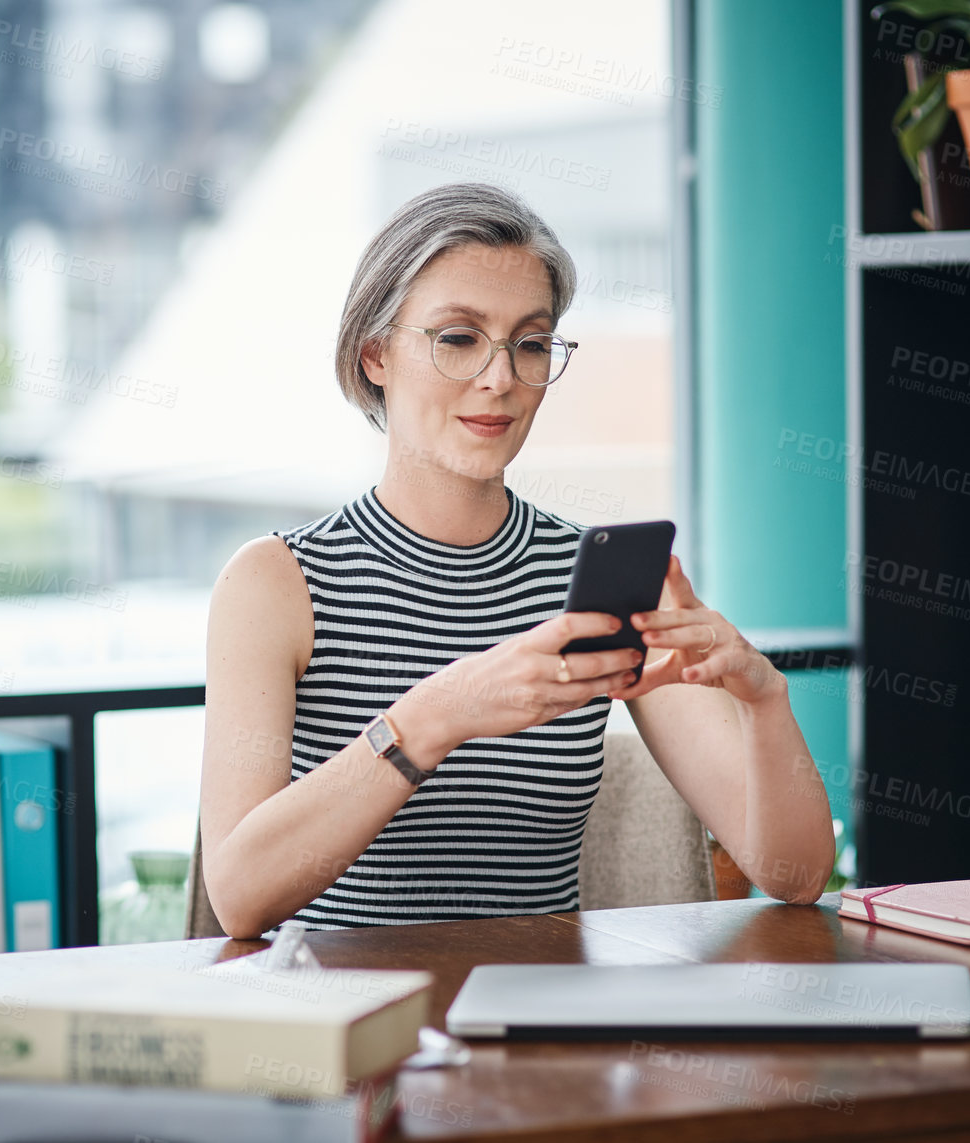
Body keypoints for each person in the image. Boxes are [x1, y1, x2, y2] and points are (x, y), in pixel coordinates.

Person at [199, 182, 833, 939]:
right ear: (375, 354)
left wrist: (764, 701)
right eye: (458, 337)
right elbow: (238, 894)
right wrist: (440, 713)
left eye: (529, 343)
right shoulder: (275, 583)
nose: (499, 378)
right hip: (347, 1030)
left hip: (543, 1032)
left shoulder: (594, 580)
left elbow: (794, 875)